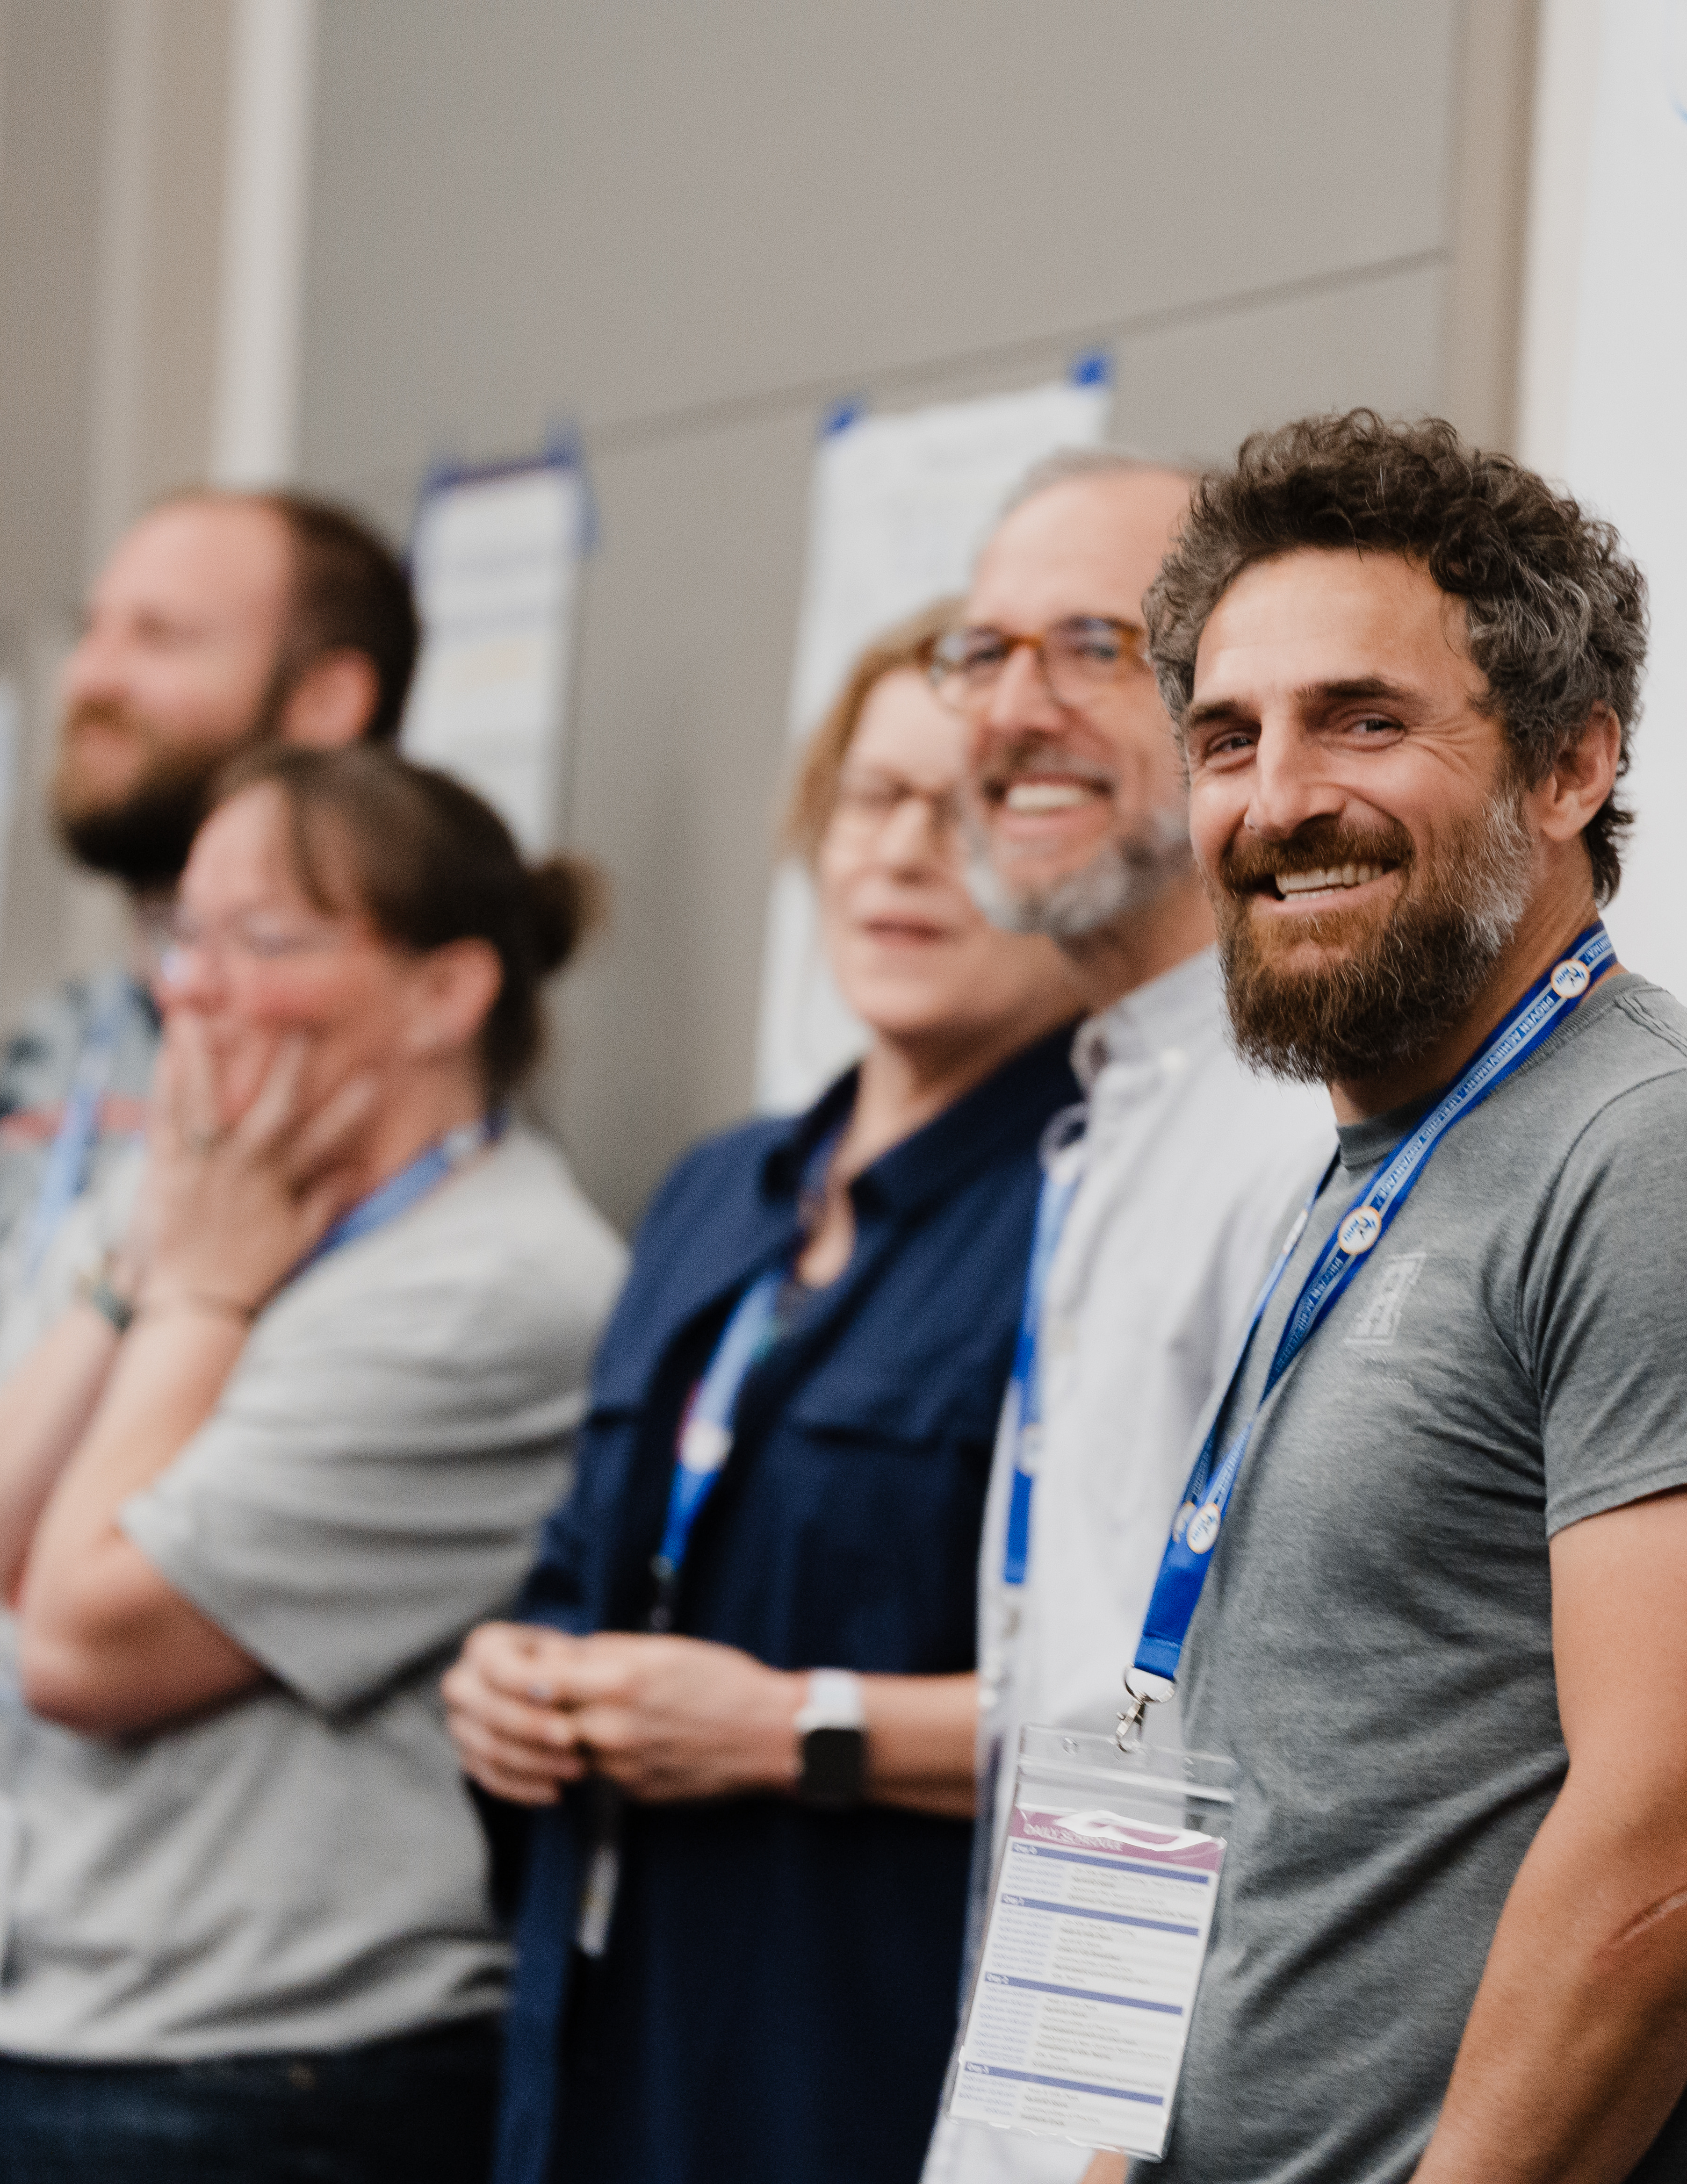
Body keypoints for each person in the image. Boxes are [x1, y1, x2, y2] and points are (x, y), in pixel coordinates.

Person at [1098, 413, 1687, 2184]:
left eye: (1363, 721)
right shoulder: (1375, 1166)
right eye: (1228, 738)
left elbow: (1679, 1845)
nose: (1277, 797)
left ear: (1568, 769)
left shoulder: (1681, 1159)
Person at [0, 745, 623, 2181]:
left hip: (271, 2083)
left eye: (259, 942)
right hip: (35, 2024)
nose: (188, 989)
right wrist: (134, 1291)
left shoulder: (500, 1283)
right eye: (182, 935)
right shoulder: (167, 1199)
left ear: (446, 992)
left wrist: (195, 1303)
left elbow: (80, 1645)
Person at [442, 602, 1088, 2184]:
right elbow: (586, 1562)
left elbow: (1160, 1721)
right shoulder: (719, 1195)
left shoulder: (1095, 1219)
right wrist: (504, 1678)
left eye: (976, 807)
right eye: (871, 800)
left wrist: (793, 1730)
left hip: (859, 2066)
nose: (902, 856)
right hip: (601, 2049)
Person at [0, 487, 424, 2184]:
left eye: (159, 638)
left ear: (327, 703)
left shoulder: (376, 1061)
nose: (91, 677)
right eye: (95, 630)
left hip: (189, 1980)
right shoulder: (64, 1051)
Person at [920, 452, 1336, 2184]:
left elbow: (1300, 1715)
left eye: (1095, 647)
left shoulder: (1296, 1124)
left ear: (1226, 718)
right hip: (1048, 2077)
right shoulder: (1106, 1110)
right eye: (981, 653)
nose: (1020, 711)